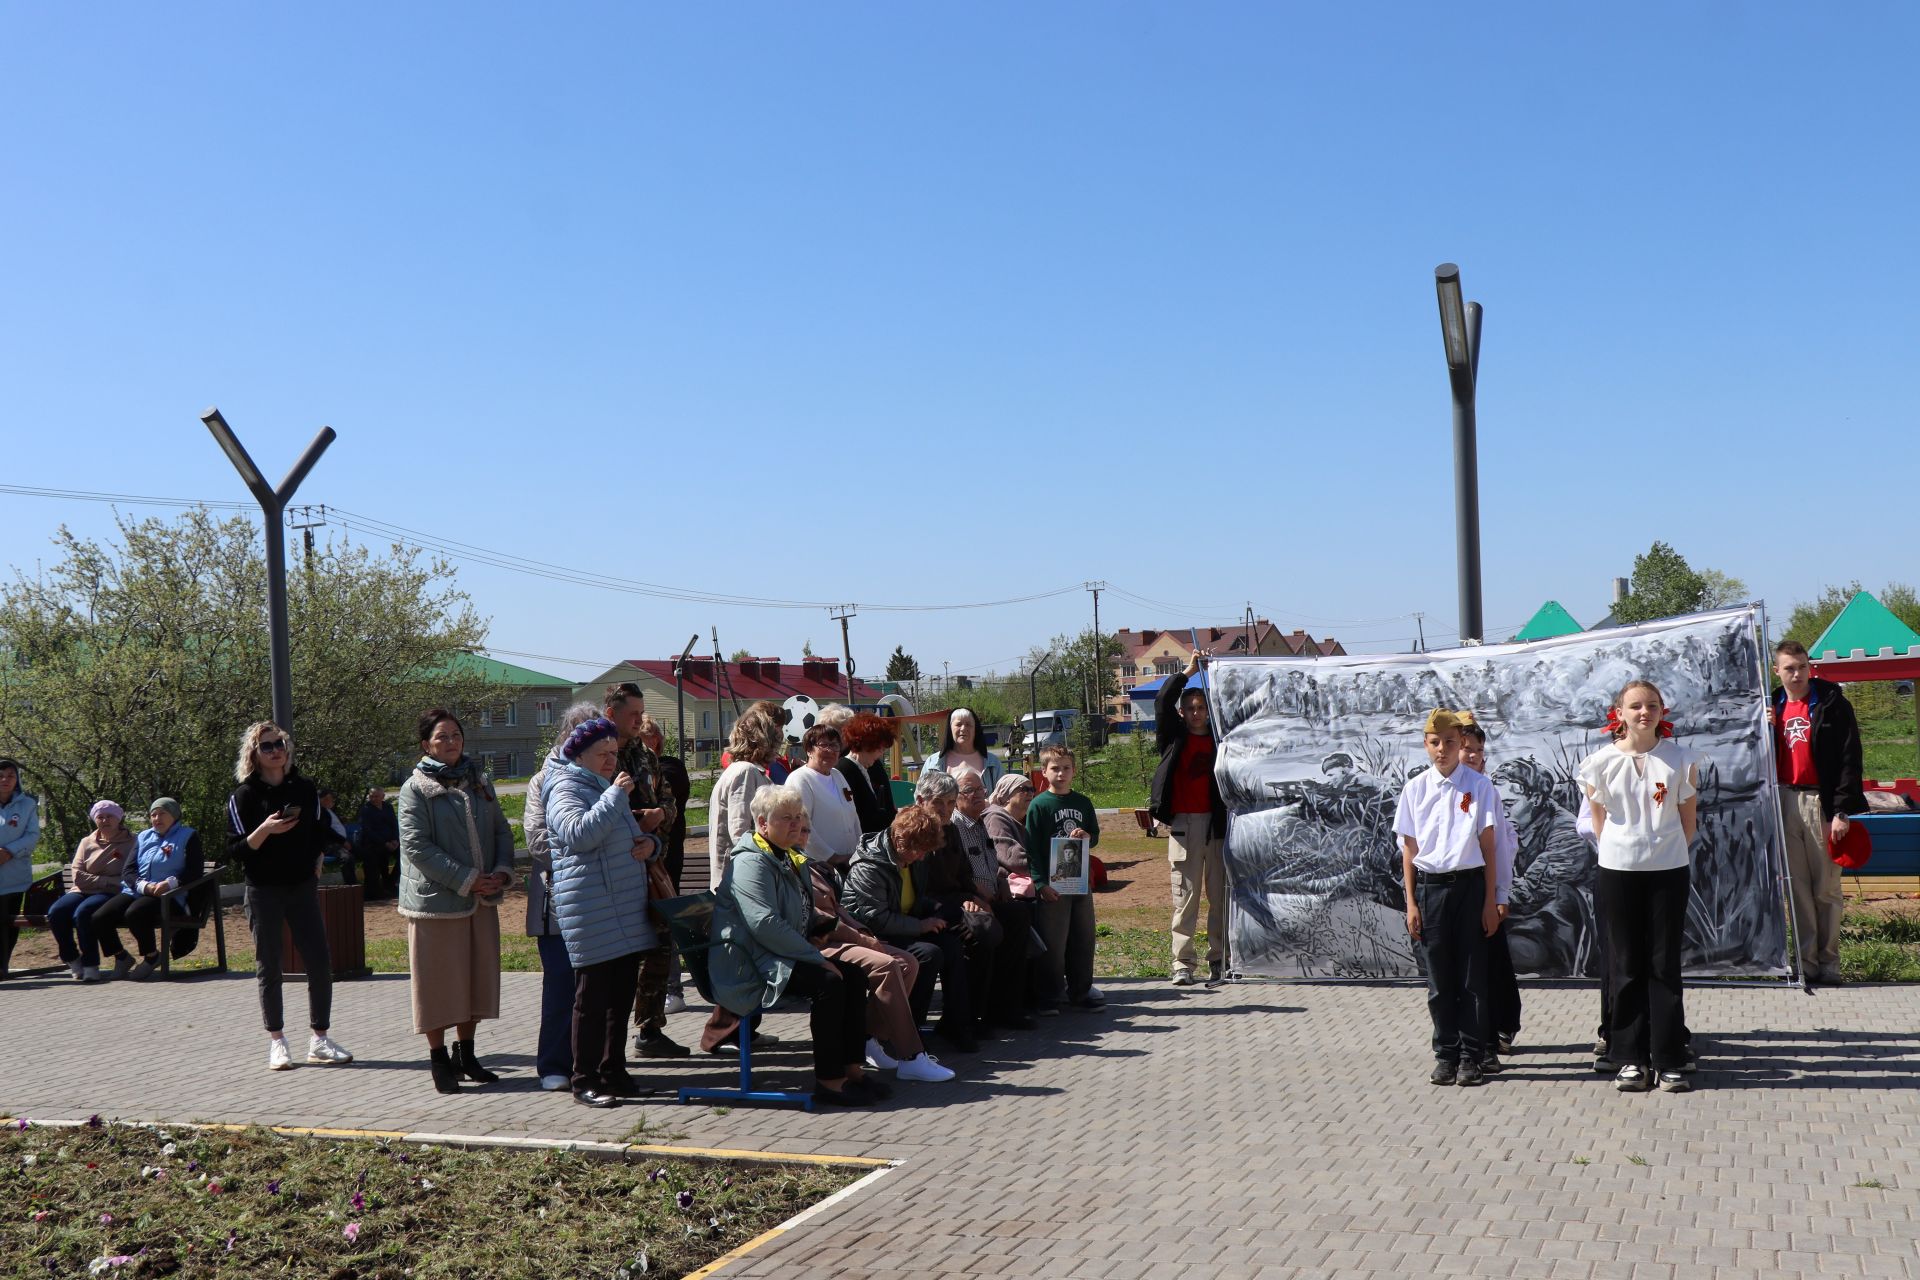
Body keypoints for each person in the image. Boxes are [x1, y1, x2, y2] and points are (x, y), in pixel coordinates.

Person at [710, 785, 891, 1106]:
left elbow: (801, 914)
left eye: (798, 817)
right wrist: (816, 958)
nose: (796, 824)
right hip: (749, 962)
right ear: (763, 824)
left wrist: (837, 935)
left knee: (854, 975)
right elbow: (763, 923)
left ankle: (852, 1069)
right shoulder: (752, 862)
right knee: (829, 983)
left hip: (777, 953)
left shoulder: (785, 855)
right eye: (786, 818)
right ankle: (829, 1081)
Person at [1580, 681, 1698, 1094]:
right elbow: (1598, 821)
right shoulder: (1598, 763)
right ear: (1620, 713)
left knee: (1663, 964)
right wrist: (1623, 850)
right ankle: (1629, 1058)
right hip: (1617, 871)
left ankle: (1668, 1059)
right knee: (1626, 964)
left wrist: (1662, 853)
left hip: (1668, 870)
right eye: (1635, 706)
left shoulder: (1681, 760)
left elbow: (1688, 822)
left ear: (1662, 711)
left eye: (1651, 705)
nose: (1643, 712)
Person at [397, 710, 518, 1093]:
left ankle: (466, 1054)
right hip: (435, 905)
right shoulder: (414, 789)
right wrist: (467, 879)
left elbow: (501, 828)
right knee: (437, 987)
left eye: (455, 735)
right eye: (441, 737)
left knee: (474, 980)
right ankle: (438, 1060)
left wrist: (499, 872)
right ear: (425, 745)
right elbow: (417, 847)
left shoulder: (479, 781)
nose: (450, 742)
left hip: (480, 901)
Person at [542, 716, 659, 1108]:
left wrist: (649, 846)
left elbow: (622, 837)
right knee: (591, 1001)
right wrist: (615, 797)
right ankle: (584, 1080)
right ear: (579, 754)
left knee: (620, 996)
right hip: (591, 911)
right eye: (602, 754)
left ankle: (613, 1071)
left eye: (614, 752)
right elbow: (578, 835)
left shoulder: (600, 784)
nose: (611, 760)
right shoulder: (565, 786)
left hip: (621, 908)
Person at [226, 723, 354, 1071]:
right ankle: (277, 1042)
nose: (275, 750)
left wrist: (322, 854)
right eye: (266, 746)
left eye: (280, 743)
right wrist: (265, 829)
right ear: (254, 754)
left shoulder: (304, 788)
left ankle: (320, 1040)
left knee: (319, 961)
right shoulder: (245, 796)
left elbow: (317, 829)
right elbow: (237, 850)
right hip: (263, 889)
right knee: (270, 965)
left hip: (301, 886)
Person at [791, 811, 953, 1082]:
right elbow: (821, 921)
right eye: (798, 829)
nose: (804, 836)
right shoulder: (863, 865)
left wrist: (933, 911)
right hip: (814, 943)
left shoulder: (807, 864)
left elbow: (839, 911)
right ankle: (912, 1056)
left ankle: (867, 1038)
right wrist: (866, 936)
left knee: (910, 962)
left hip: (847, 933)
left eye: (807, 830)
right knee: (895, 962)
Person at [1394, 709, 1500, 1087]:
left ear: (1462, 745)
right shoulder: (1415, 789)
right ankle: (1446, 1054)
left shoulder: (1480, 787)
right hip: (1431, 889)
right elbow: (1409, 849)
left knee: (1472, 979)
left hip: (1470, 887)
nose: (1443, 750)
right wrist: (1411, 902)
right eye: (1435, 743)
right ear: (1425, 745)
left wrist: (1491, 900)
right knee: (1440, 982)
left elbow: (1491, 848)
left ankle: (1473, 1056)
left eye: (1450, 743)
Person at [1769, 639, 1867, 985]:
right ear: (1777, 670)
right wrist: (1762, 727)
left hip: (1819, 803)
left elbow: (1849, 758)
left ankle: (1829, 963)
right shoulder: (1772, 706)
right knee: (1795, 888)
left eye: (1802, 666)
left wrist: (1842, 810)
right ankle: (1805, 963)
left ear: (1810, 667)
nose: (1797, 674)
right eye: (1789, 668)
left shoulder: (1830, 704)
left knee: (1825, 887)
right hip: (1783, 799)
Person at [602, 684, 688, 1061]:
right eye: (632, 713)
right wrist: (639, 821)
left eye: (641, 712)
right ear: (611, 714)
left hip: (651, 866)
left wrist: (660, 815)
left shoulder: (644, 756)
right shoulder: (597, 755)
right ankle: (609, 1044)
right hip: (613, 873)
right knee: (618, 963)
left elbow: (669, 800)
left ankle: (650, 1029)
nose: (639, 720)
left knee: (659, 943)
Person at [524, 701, 606, 1091]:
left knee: (596, 986)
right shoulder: (543, 781)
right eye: (587, 734)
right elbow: (538, 843)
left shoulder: (603, 776)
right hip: (556, 902)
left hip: (600, 900)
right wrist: (588, 846)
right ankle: (554, 1063)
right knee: (561, 983)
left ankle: (594, 1062)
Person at [842, 806, 968, 1048]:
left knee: (952, 944)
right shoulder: (870, 866)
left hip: (902, 925)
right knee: (927, 955)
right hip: (871, 934)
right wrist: (921, 926)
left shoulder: (913, 858)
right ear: (900, 840)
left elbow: (910, 898)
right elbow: (876, 918)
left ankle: (957, 1024)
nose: (922, 857)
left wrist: (933, 907)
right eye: (918, 850)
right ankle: (905, 1030)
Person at [1152, 650, 1229, 986]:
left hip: (1216, 826)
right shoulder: (1173, 738)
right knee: (1185, 899)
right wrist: (1189, 670)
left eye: (1202, 707)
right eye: (1191, 708)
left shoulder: (1220, 739)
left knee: (1220, 898)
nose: (1196, 713)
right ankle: (1182, 963)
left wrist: (1215, 673)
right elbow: (1162, 700)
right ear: (1182, 713)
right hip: (1184, 826)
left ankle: (1220, 960)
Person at [913, 770, 1004, 1042]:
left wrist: (973, 898)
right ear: (921, 800)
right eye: (938, 802)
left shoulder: (951, 830)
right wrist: (960, 904)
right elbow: (919, 888)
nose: (945, 809)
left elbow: (964, 873)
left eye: (950, 803)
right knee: (968, 939)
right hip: (926, 907)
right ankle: (960, 1023)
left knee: (990, 930)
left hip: (954, 901)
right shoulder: (913, 830)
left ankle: (978, 1014)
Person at [952, 766, 1037, 1030]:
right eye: (970, 790)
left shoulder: (979, 822)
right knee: (985, 929)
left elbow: (992, 861)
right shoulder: (953, 827)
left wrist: (1000, 881)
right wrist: (975, 895)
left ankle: (1008, 1008)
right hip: (965, 903)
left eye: (981, 789)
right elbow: (950, 876)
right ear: (955, 795)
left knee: (1019, 916)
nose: (979, 795)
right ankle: (975, 1015)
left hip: (990, 896)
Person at [1458, 714, 1520, 1068]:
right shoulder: (1437, 787)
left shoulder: (1486, 790)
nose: (1471, 755)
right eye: (1465, 748)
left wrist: (1500, 894)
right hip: (1455, 889)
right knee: (1466, 969)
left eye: (1477, 750)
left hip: (1486, 887)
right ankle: (1470, 1038)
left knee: (1494, 963)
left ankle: (1500, 1027)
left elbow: (1500, 847)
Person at [1024, 745, 1104, 1012]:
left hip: (1080, 880)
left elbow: (1094, 835)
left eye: (1066, 768)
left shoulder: (1082, 802)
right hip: (1052, 884)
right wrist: (1040, 883)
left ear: (1074, 771)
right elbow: (1031, 848)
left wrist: (1086, 837)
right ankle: (1050, 995)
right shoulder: (1039, 805)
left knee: (1083, 938)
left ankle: (1081, 991)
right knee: (1054, 943)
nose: (1061, 773)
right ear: (1044, 772)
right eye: (1055, 768)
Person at [90, 798, 204, 981]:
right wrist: (143, 885)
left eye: (162, 813)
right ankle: (122, 957)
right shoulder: (143, 836)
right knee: (99, 917)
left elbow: (195, 870)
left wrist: (171, 883)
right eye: (153, 814)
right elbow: (128, 870)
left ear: (174, 815)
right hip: (139, 890)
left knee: (135, 913)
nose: (157, 818)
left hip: (169, 896)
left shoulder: (188, 836)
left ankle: (151, 957)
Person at [47, 800, 136, 982]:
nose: (104, 820)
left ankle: (91, 965)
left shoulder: (132, 842)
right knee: (56, 912)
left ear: (119, 818)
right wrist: (107, 880)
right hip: (81, 890)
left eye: (109, 816)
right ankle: (72, 958)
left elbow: (127, 877)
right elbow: (77, 875)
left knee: (84, 913)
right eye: (100, 817)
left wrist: (101, 882)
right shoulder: (87, 842)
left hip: (110, 894)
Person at [640, 713, 693, 1013]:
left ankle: (673, 990)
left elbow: (660, 805)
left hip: (666, 862)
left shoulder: (670, 767)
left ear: (655, 740)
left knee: (664, 922)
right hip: (643, 860)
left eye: (642, 738)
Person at [709, 705, 781, 885]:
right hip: (740, 880)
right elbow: (740, 833)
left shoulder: (749, 770)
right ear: (764, 740)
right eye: (775, 735)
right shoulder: (745, 772)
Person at [787, 724, 863, 866]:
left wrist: (859, 850)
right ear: (809, 750)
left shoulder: (837, 775)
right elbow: (802, 826)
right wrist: (832, 857)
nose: (830, 750)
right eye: (824, 745)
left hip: (850, 861)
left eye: (834, 746)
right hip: (821, 866)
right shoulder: (800, 779)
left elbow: (853, 816)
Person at [0, 758, 43, 979]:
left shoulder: (27, 805)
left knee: (9, 922)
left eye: (10, 775)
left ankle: (2, 964)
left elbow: (33, 835)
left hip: (15, 876)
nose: (5, 780)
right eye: (1, 776)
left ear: (17, 780)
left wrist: (8, 851)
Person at [836, 713, 899, 835]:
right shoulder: (844, 770)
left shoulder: (873, 766)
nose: (881, 754)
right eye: (880, 749)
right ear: (867, 744)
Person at [923, 706, 1005, 790]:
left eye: (968, 725)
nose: (963, 728)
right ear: (950, 729)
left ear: (975, 730)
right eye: (958, 724)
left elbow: (1004, 796)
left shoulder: (993, 763)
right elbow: (921, 796)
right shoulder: (932, 763)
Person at [353, 788, 400, 900]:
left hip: (391, 842)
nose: (373, 799)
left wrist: (395, 839)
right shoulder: (366, 810)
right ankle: (381, 889)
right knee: (376, 857)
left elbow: (394, 824)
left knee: (405, 856)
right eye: (371, 796)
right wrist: (385, 843)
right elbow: (368, 831)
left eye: (376, 796)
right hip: (373, 843)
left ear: (383, 796)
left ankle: (390, 883)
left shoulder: (388, 807)